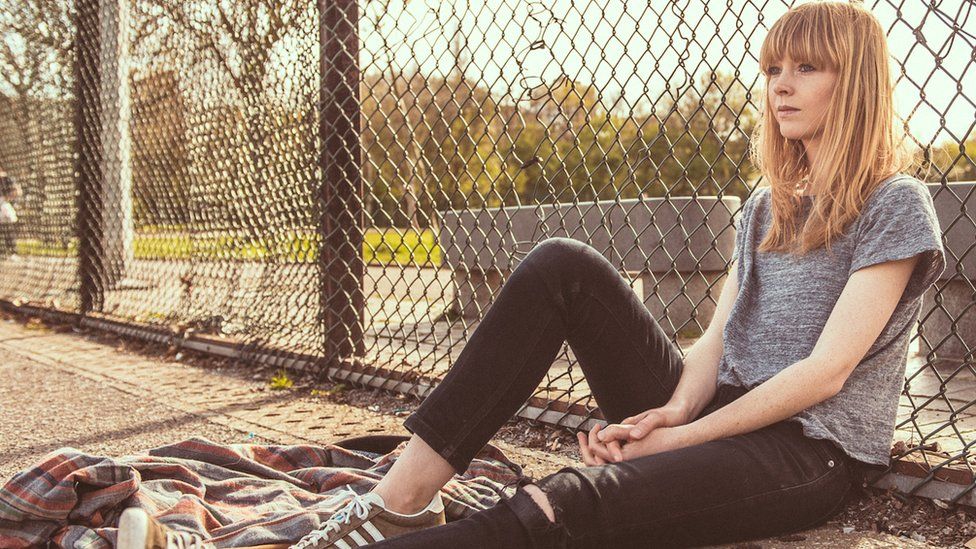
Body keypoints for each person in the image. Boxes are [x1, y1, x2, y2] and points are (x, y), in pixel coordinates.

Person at [117, 1, 947, 548]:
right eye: (772, 69)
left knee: (579, 498)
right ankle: (398, 499)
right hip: (719, 412)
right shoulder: (767, 202)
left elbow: (825, 372)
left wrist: (675, 441)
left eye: (806, 68)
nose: (780, 86)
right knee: (564, 266)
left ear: (857, 79)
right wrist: (667, 410)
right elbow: (717, 338)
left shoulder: (894, 203)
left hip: (809, 452)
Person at [0, 173, 22, 260]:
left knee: (8, 229)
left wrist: (8, 198)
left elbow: (16, 190)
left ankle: (13, 252)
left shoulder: (7, 179)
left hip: (4, 207)